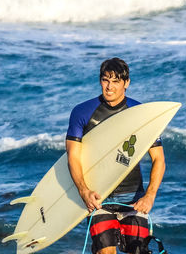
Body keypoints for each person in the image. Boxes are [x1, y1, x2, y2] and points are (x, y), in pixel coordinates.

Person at [66, 57, 166, 254]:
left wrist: (150, 196)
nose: (109, 87)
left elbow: (159, 159)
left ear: (126, 83)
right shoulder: (82, 112)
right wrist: (84, 191)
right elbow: (73, 157)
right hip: (99, 198)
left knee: (139, 251)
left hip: (134, 198)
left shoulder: (141, 113)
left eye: (116, 81)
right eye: (105, 80)